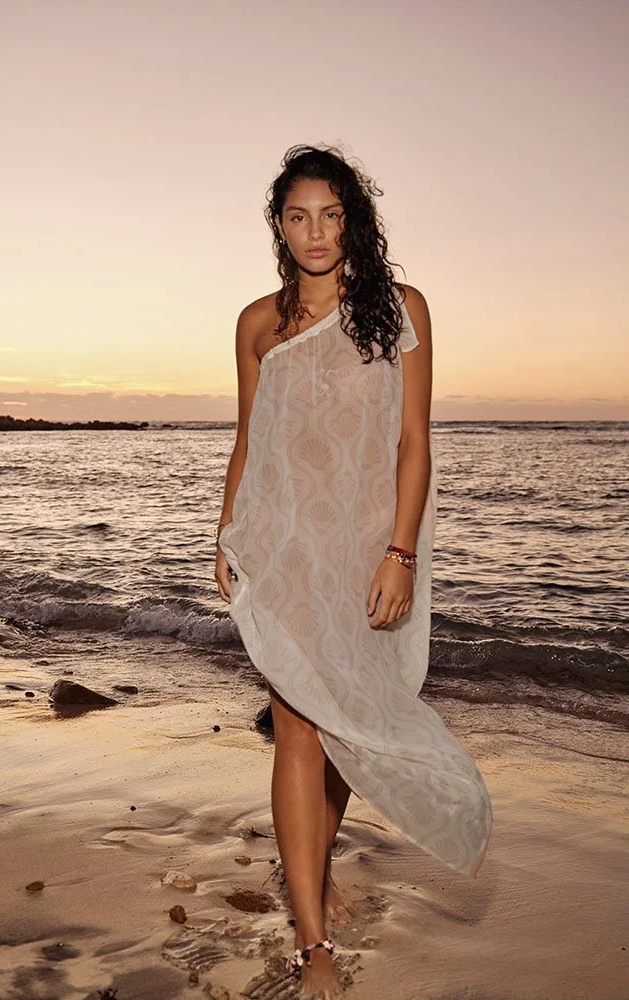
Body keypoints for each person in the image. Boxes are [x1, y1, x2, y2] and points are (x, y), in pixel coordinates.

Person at [214, 144, 493, 1000]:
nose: (316, 232)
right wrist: (226, 533)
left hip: (367, 553)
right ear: (277, 225)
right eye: (298, 216)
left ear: (354, 219)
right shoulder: (258, 324)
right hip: (284, 547)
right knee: (297, 724)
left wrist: (401, 553)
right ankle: (313, 944)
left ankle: (313, 879)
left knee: (337, 728)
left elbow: (415, 443)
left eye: (332, 214)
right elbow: (250, 441)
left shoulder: (401, 309)